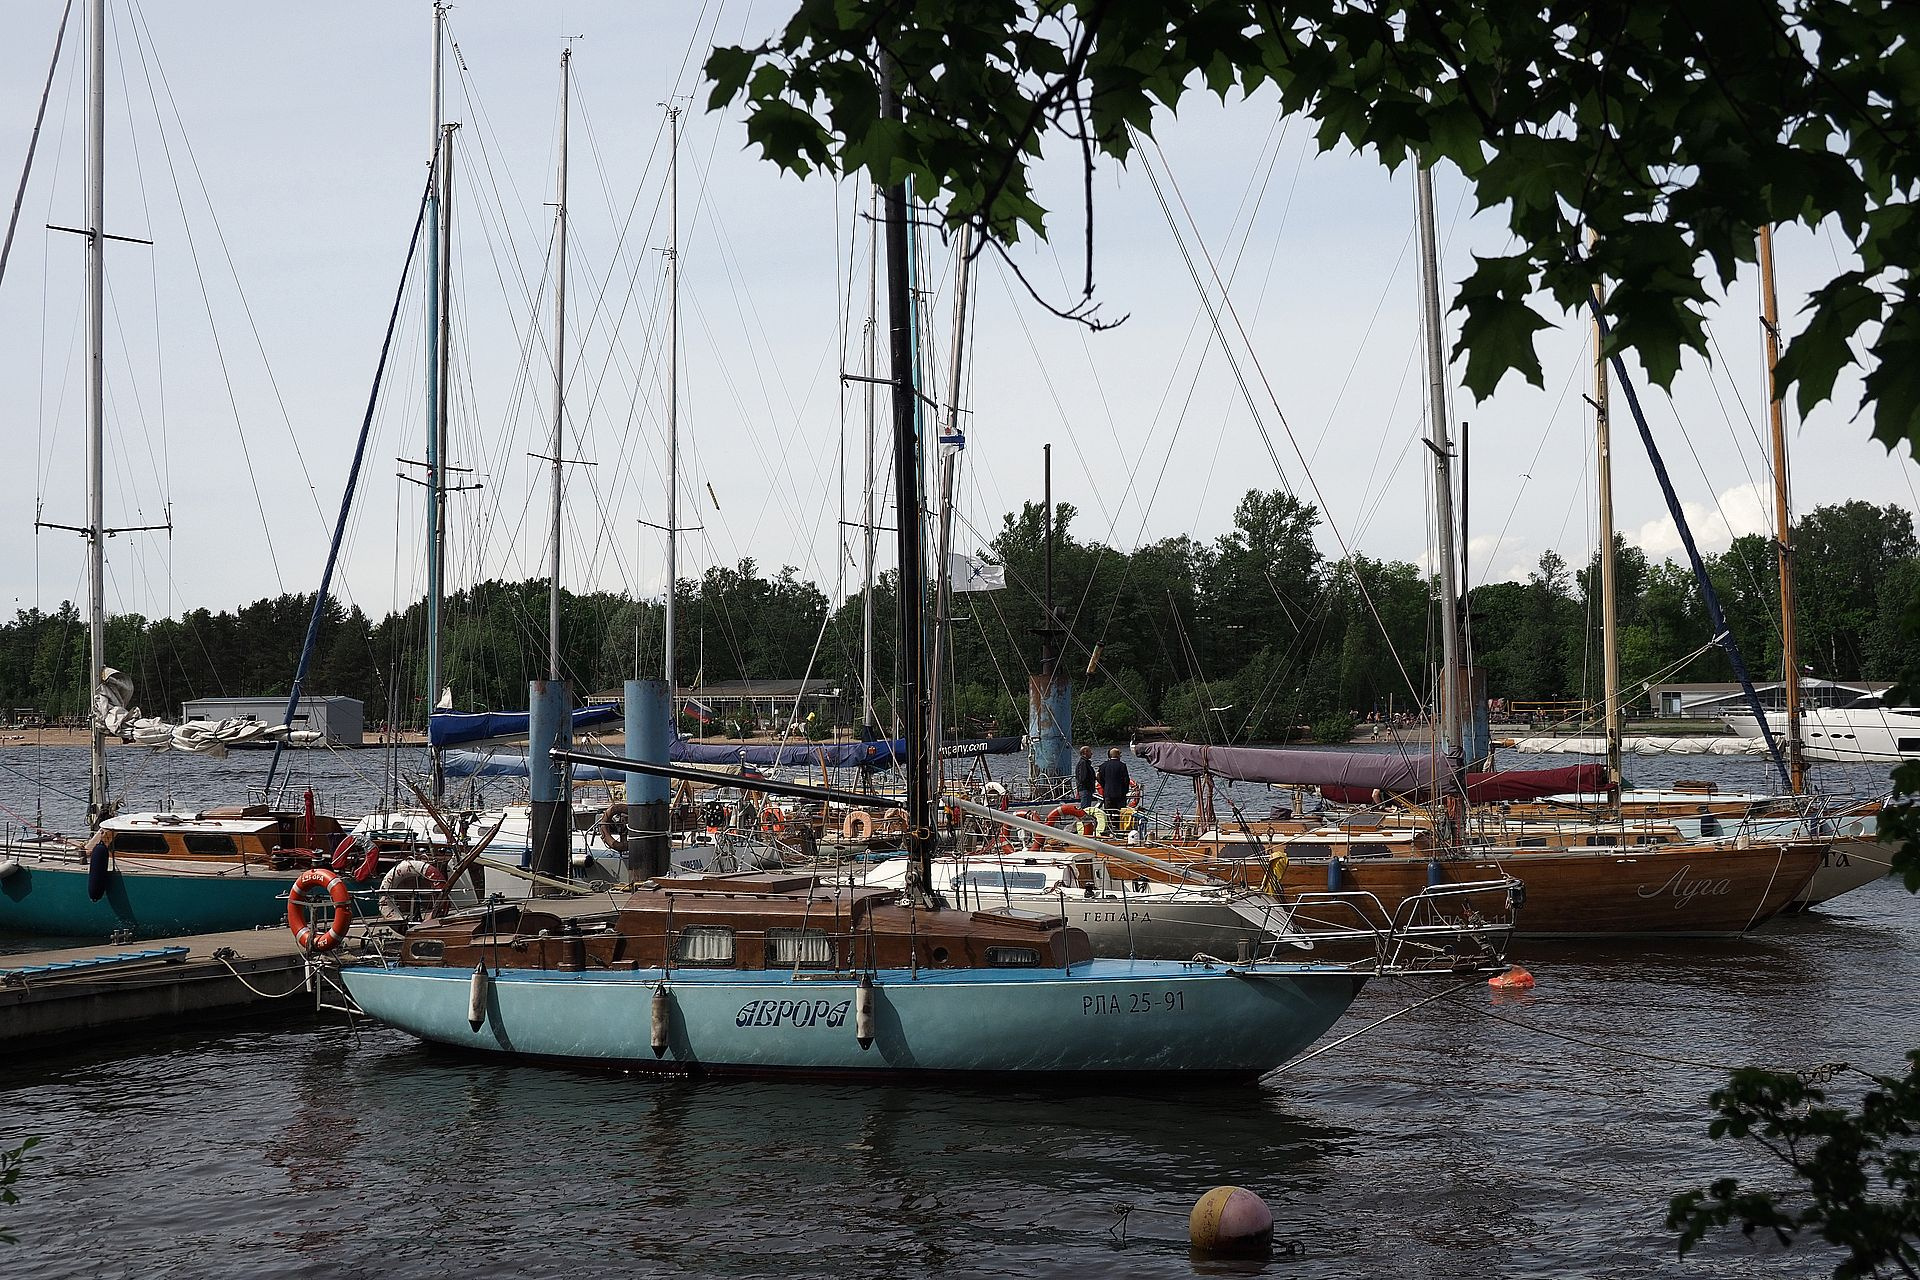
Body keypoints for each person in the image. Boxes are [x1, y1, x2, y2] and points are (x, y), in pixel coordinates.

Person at [1096, 746, 1130, 817]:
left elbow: (1098, 777)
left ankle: (1111, 826)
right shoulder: (1122, 766)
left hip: (1108, 793)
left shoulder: (1103, 766)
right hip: (1120, 794)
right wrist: (1125, 790)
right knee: (1120, 813)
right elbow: (1126, 780)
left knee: (1108, 813)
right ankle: (1119, 826)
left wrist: (1104, 785)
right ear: (1117, 755)